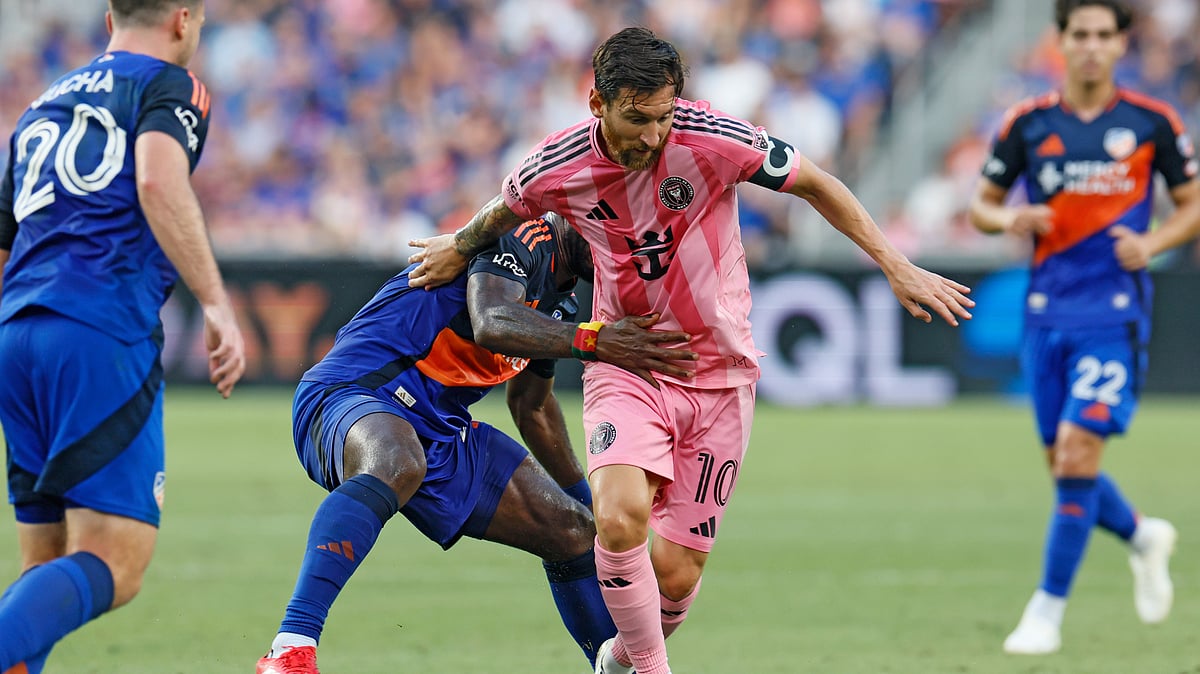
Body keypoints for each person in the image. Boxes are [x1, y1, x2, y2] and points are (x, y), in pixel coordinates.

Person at [408, 26, 974, 674]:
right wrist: (459, 244)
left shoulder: (715, 139)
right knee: (619, 517)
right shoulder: (558, 163)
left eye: (663, 116)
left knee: (675, 575)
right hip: (632, 361)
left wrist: (895, 264)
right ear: (598, 104)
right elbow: (505, 207)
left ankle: (622, 658)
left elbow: (816, 182)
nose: (653, 135)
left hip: (720, 375)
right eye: (637, 118)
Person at [255, 212, 698, 674]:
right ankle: (291, 648)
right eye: (613, 237)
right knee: (397, 460)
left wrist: (589, 505)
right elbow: (491, 321)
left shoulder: (564, 303)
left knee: (572, 532)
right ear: (576, 213)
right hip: (353, 392)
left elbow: (531, 407)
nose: (620, 252)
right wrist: (596, 341)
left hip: (439, 430)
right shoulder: (521, 236)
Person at [0, 1, 246, 672]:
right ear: (183, 20)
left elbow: (5, 237)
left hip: (18, 333)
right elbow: (157, 178)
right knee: (115, 560)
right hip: (97, 328)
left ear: (110, 21)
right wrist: (215, 303)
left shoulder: (43, 105)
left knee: (46, 565)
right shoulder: (170, 84)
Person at [968, 0, 1200, 656]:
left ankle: (1046, 611)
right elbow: (982, 205)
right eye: (1081, 34)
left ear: (1122, 44)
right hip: (1047, 313)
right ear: (1062, 41)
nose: (1092, 46)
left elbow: (1192, 205)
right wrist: (1008, 219)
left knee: (1076, 454)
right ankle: (1142, 535)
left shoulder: (1152, 122)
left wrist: (1153, 242)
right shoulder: (1028, 122)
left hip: (1112, 314)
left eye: (1104, 35)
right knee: (1065, 466)